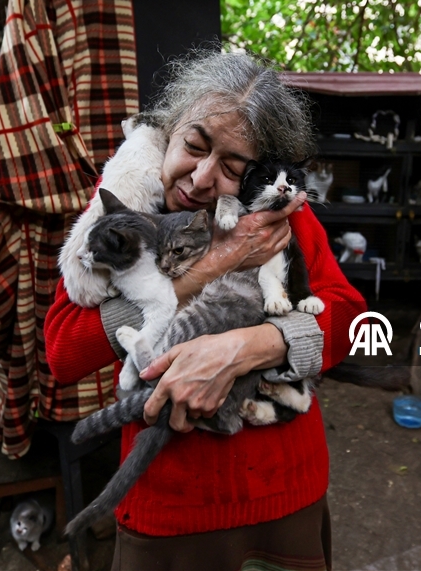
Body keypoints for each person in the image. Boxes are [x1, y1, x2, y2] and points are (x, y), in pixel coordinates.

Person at [44, 52, 365, 570]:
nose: (200, 179)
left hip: (284, 490)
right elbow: (61, 353)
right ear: (168, 132)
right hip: (170, 507)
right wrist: (211, 267)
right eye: (193, 147)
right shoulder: (124, 210)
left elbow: (354, 322)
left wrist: (248, 347)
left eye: (233, 168)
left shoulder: (279, 218)